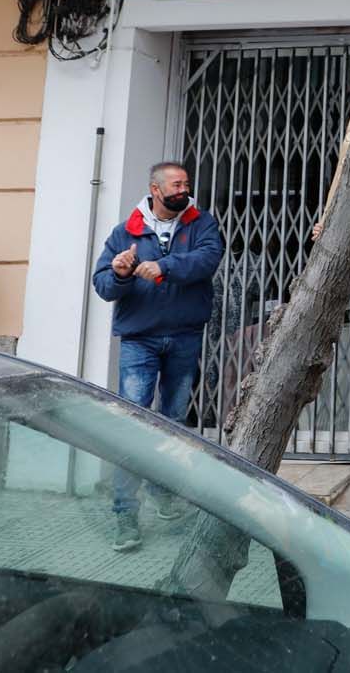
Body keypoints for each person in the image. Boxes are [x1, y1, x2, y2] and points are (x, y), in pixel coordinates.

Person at [92, 161, 225, 552]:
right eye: (176, 184)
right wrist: (118, 272)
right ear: (155, 188)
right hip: (140, 341)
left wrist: (163, 267)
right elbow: (103, 285)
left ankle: (164, 494)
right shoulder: (126, 231)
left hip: (184, 337)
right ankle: (125, 515)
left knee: (173, 425)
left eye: (185, 183)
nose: (184, 189)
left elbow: (207, 261)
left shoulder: (201, 223)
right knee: (134, 426)